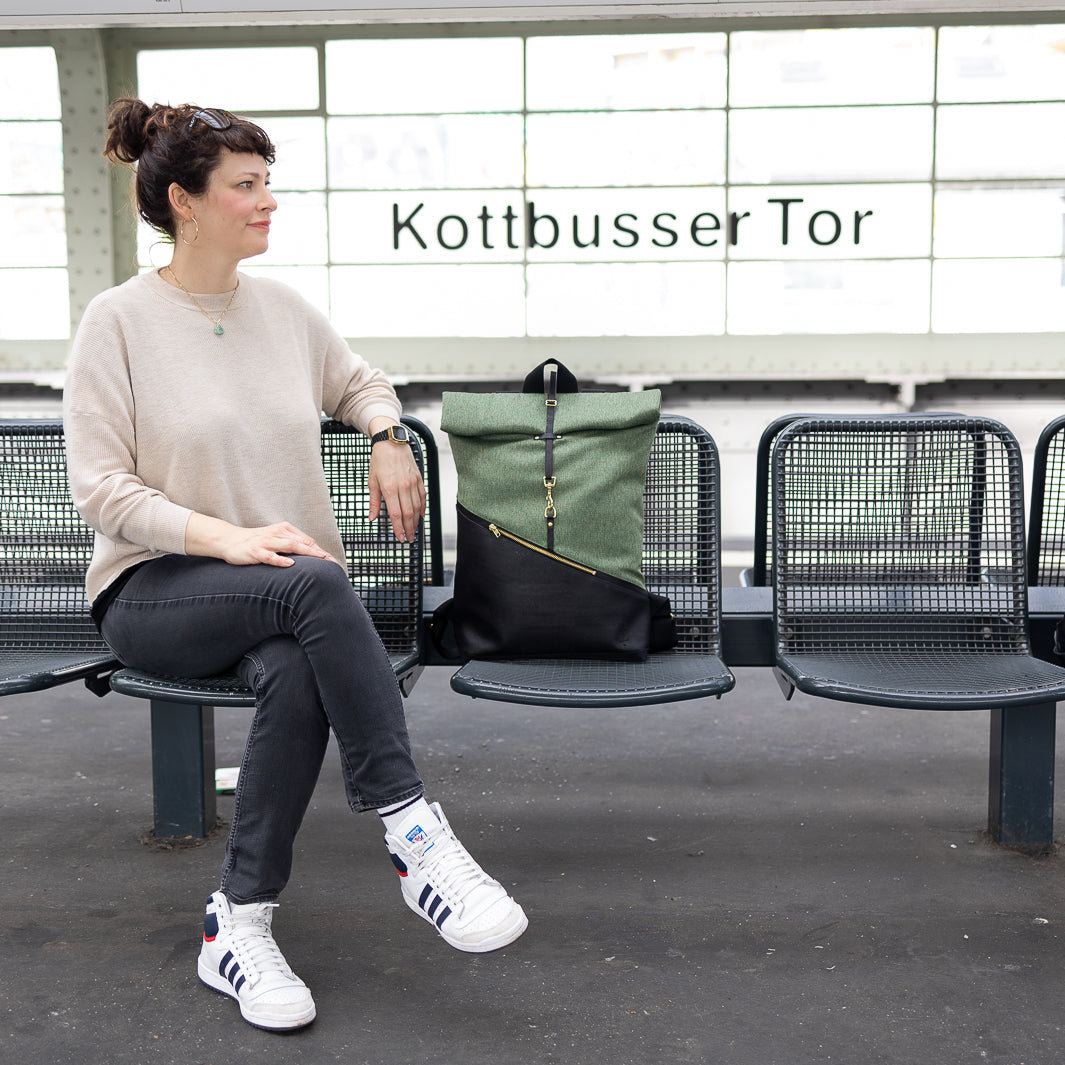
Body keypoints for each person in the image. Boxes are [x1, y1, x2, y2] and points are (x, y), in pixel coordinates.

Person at [62, 99, 527, 1033]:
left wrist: (387, 435)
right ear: (186, 203)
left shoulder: (280, 309)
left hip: (280, 604)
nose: (267, 201)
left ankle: (237, 924)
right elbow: (102, 491)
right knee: (316, 583)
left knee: (295, 671)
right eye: (246, 185)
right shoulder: (117, 322)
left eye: (267, 181)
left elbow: (359, 381)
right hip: (155, 589)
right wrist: (226, 537)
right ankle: (411, 828)